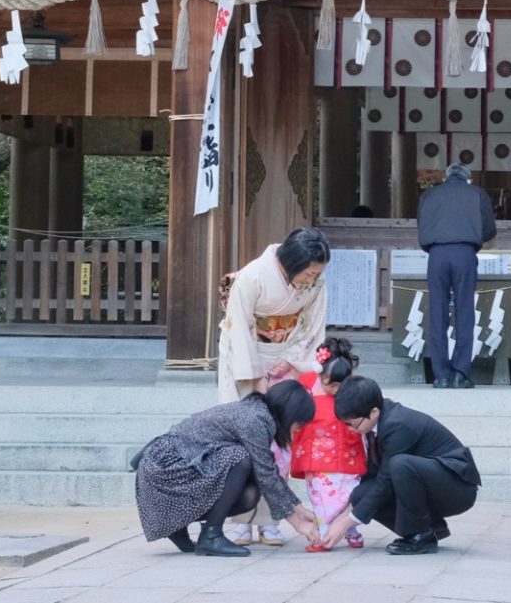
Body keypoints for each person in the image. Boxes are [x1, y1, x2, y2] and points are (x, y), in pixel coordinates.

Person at [216, 226, 331, 545]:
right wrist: (255, 378)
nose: (312, 279)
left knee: (280, 441)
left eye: (316, 273)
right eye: (308, 272)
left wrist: (293, 359)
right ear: (294, 262)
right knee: (244, 438)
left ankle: (270, 520)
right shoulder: (252, 277)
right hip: (245, 358)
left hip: (286, 356)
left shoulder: (315, 282)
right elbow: (238, 330)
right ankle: (240, 519)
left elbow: (312, 324)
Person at [133, 379, 321, 557]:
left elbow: (268, 469)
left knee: (250, 493)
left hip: (174, 469)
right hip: (166, 469)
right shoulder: (254, 419)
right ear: (290, 413)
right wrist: (298, 523)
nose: (298, 429)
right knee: (241, 458)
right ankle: (211, 535)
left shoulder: (258, 413)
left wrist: (298, 508)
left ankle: (177, 526)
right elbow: (265, 475)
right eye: (300, 423)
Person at [316, 375, 481, 556]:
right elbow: (373, 476)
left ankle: (421, 535)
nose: (351, 430)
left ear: (373, 412)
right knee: (361, 494)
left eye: (353, 425)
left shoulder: (398, 425)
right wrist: (340, 516)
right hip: (428, 481)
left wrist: (347, 522)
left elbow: (385, 481)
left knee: (400, 465)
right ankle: (426, 530)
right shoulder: (374, 424)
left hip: (457, 488)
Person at [416, 162, 497, 388]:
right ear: (468, 178)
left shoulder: (430, 195)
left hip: (437, 254)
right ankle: (461, 373)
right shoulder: (477, 194)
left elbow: (421, 228)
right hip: (465, 253)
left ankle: (441, 375)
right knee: (464, 311)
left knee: (437, 313)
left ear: (446, 177)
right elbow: (489, 229)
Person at [290, 337, 369, 552]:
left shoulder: (355, 389)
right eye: (329, 383)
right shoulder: (307, 384)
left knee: (347, 494)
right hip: (317, 457)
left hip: (347, 452)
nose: (335, 389)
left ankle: (337, 531)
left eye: (339, 384)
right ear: (319, 374)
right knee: (322, 496)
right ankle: (332, 531)